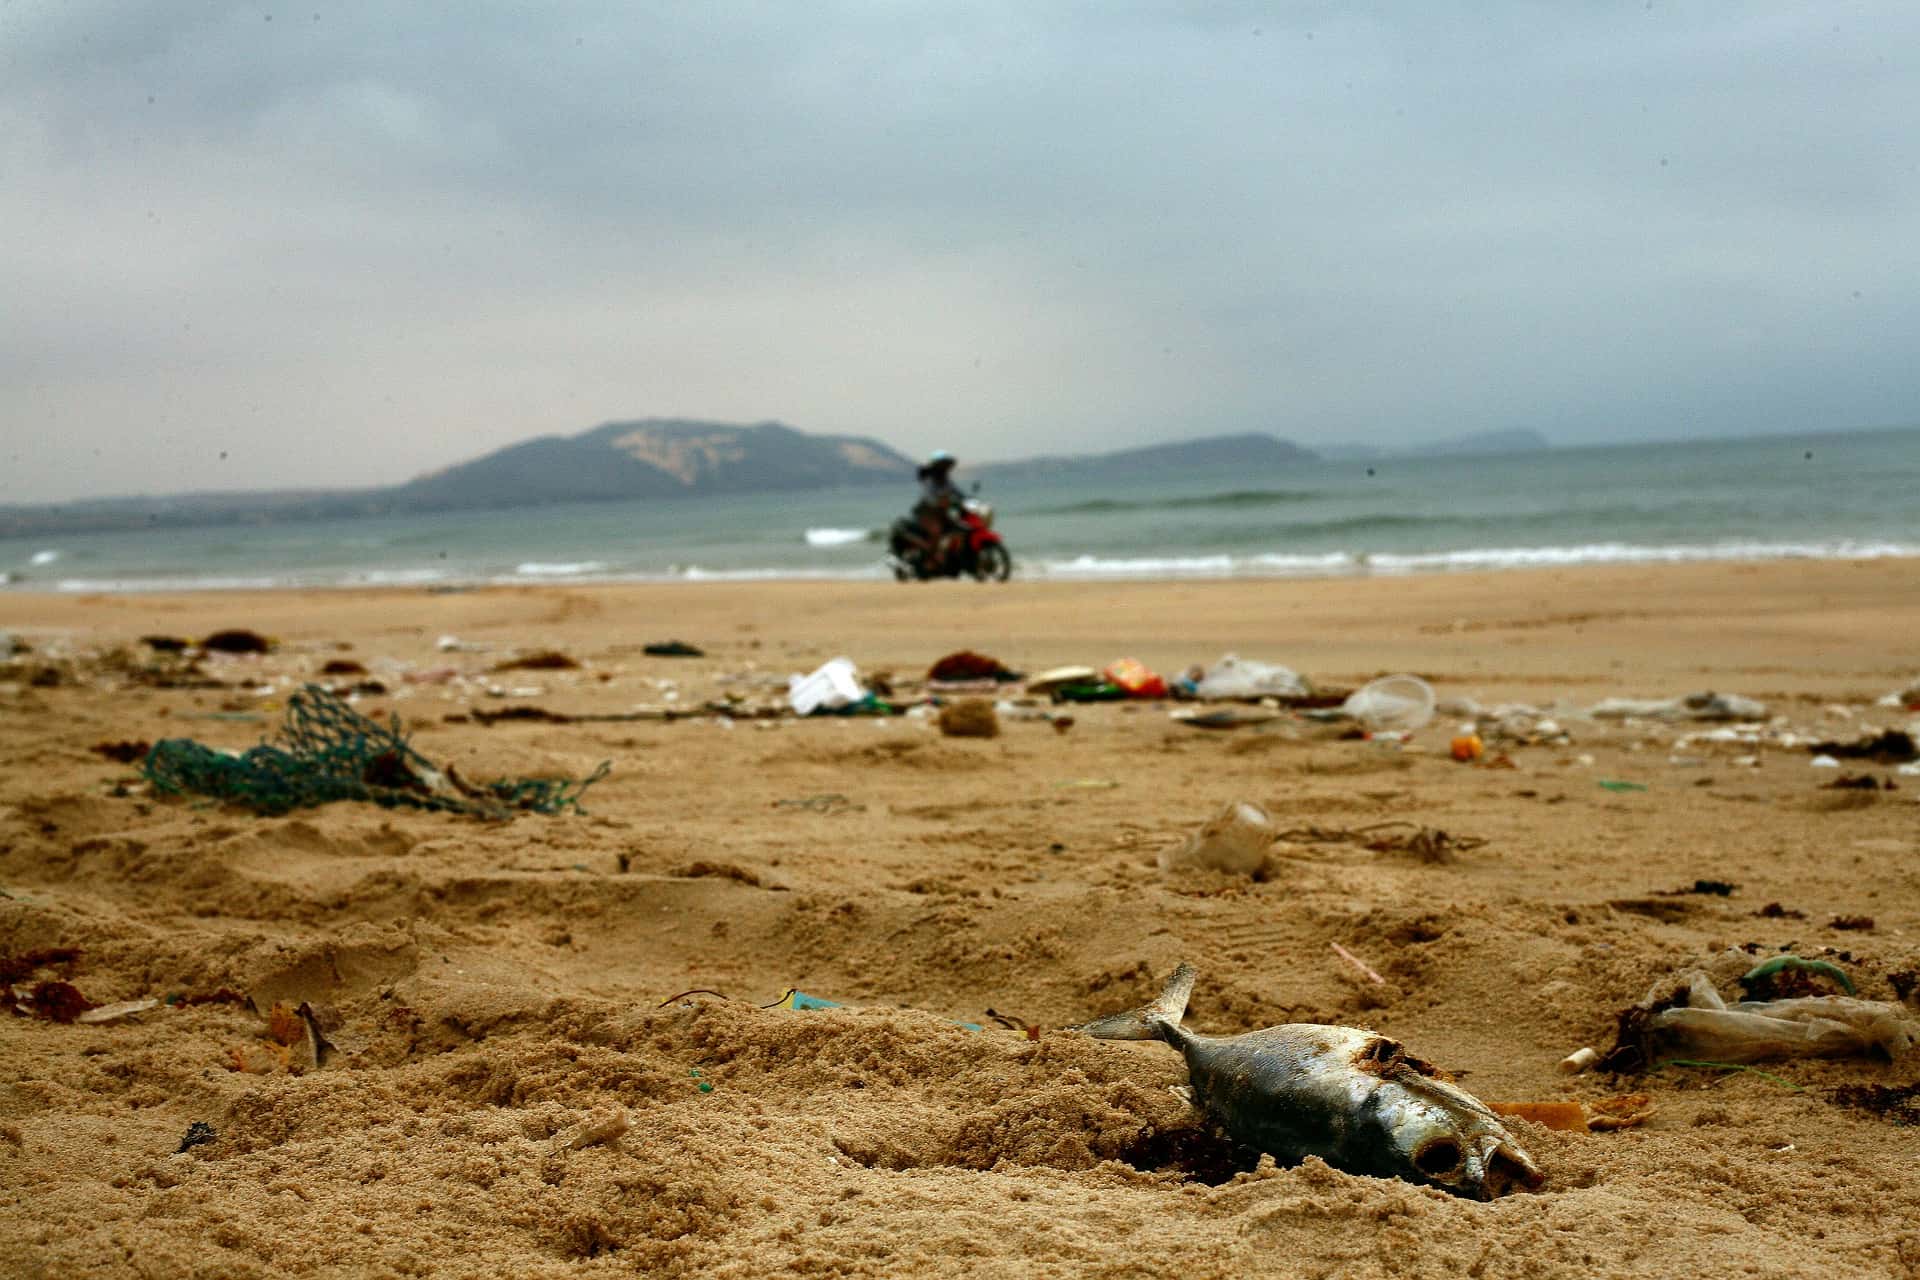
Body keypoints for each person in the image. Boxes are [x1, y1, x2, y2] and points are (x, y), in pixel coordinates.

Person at [908, 450, 962, 571]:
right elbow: (928, 498)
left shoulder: (946, 481)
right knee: (936, 532)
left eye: (946, 466)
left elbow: (957, 492)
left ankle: (953, 558)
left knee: (959, 528)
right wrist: (939, 502)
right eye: (942, 465)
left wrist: (967, 499)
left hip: (941, 513)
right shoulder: (929, 481)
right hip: (926, 514)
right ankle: (929, 560)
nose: (944, 468)